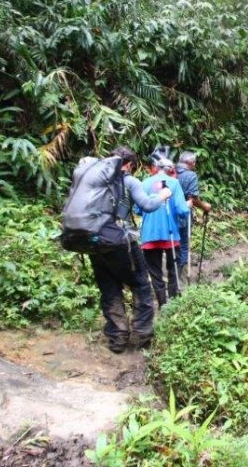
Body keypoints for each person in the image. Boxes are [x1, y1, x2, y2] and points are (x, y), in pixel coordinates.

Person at [89, 146, 171, 353]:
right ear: (128, 165)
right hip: (122, 243)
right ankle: (142, 334)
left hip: (95, 242)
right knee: (141, 285)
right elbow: (148, 205)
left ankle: (117, 338)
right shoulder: (128, 181)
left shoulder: (96, 181)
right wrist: (163, 194)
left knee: (109, 289)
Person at [137, 157, 190, 308]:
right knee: (173, 268)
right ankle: (173, 301)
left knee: (155, 272)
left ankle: (162, 304)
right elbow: (182, 210)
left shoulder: (145, 183)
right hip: (170, 233)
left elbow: (138, 210)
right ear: (171, 170)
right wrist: (187, 205)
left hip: (149, 234)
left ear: (156, 168)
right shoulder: (174, 183)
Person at [175, 151, 211, 283]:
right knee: (183, 244)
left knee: (171, 243)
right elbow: (193, 198)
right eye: (194, 162)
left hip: (166, 215)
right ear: (189, 162)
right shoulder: (190, 175)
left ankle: (169, 273)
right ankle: (181, 277)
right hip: (182, 214)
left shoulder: (169, 171)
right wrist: (205, 207)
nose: (195, 165)